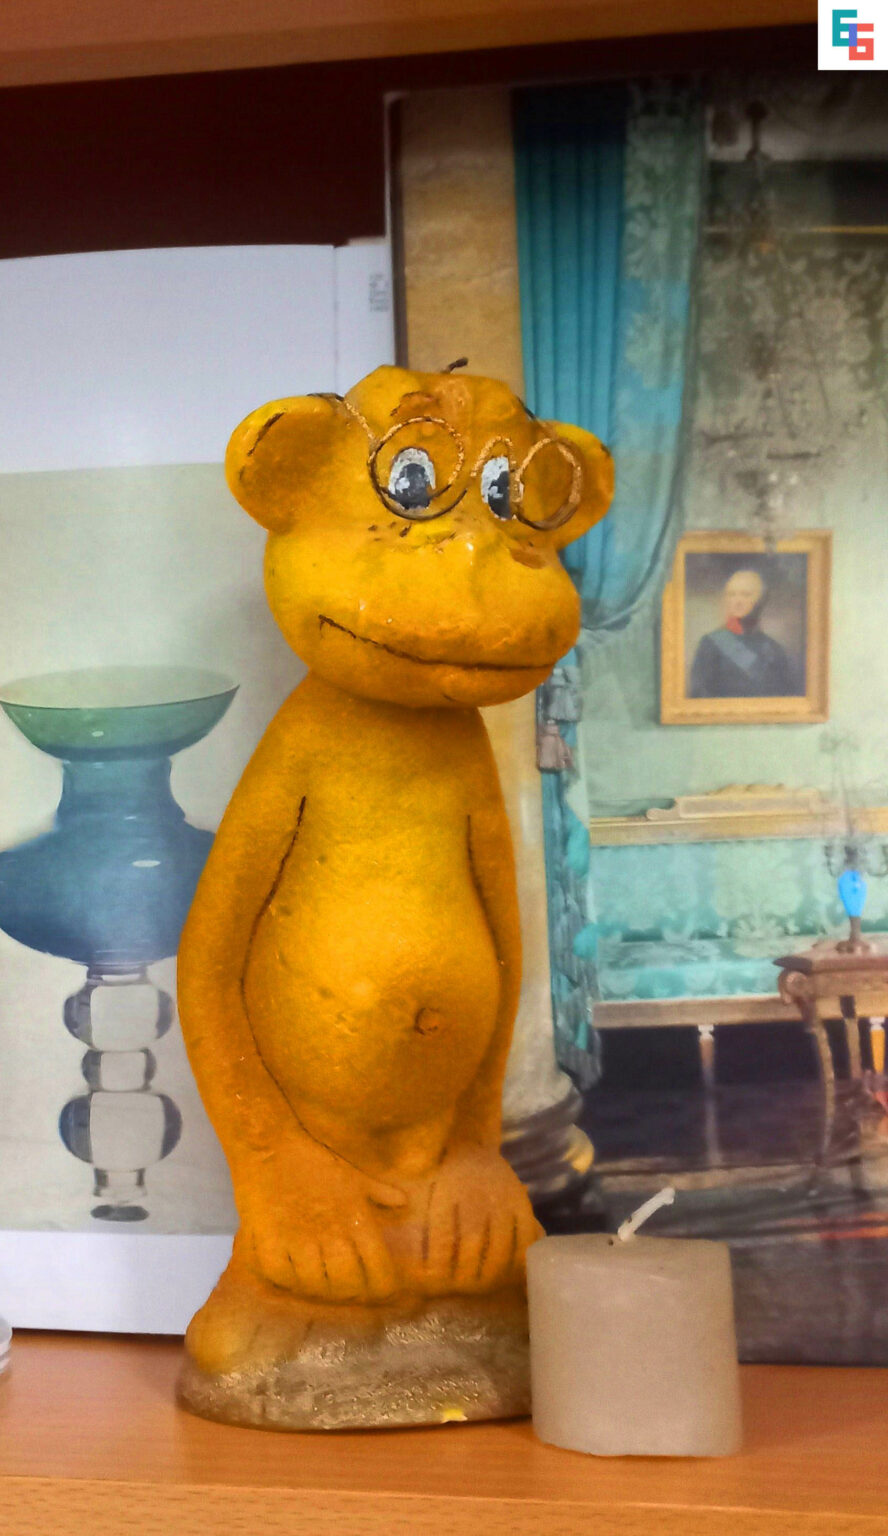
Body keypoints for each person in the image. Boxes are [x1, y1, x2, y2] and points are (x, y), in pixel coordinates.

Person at [689, 568, 798, 699]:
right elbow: (699, 696)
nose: (737, 601)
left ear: (760, 600)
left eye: (746, 595)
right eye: (732, 594)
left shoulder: (774, 649)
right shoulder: (710, 644)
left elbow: (785, 698)